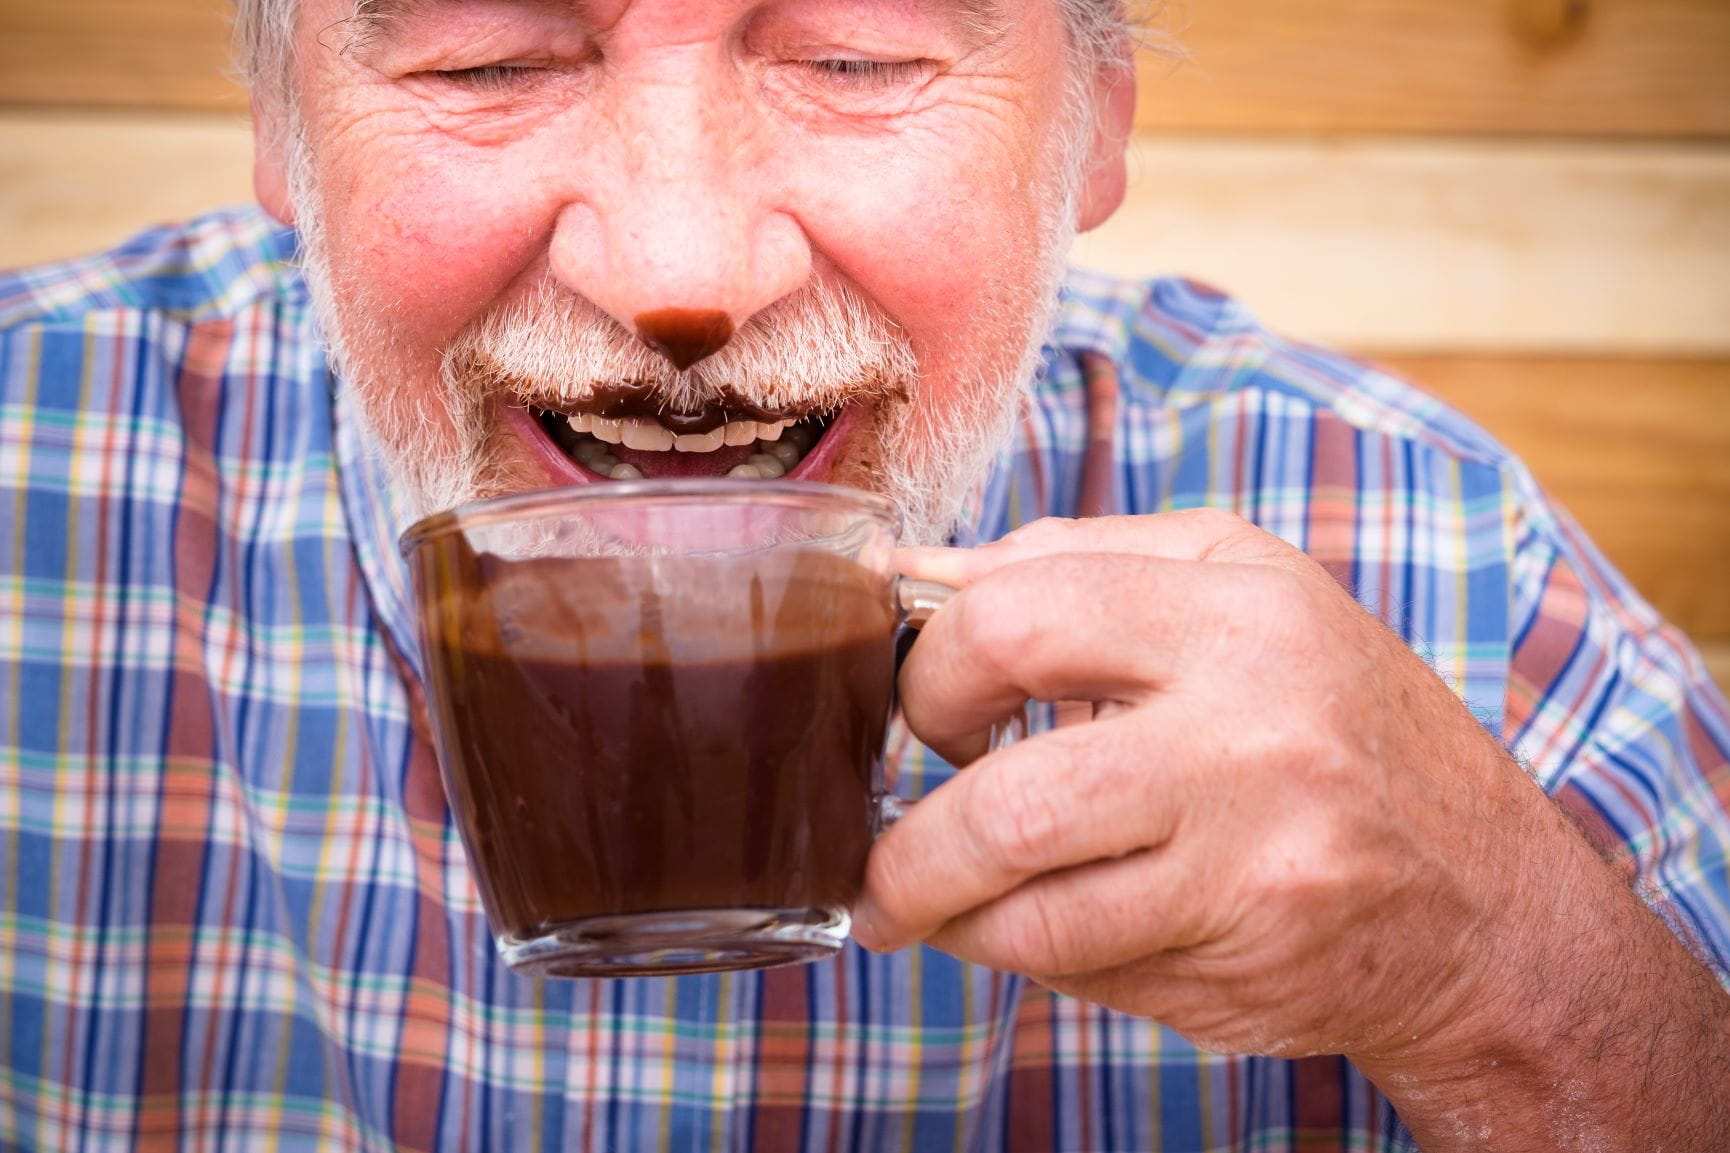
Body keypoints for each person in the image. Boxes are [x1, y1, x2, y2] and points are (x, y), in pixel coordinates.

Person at [1, 0, 1725, 1148]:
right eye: (484, 54)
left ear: (1095, 119)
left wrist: (1499, 971)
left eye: (853, 48)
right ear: (281, 123)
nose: (679, 272)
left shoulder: (1426, 555)